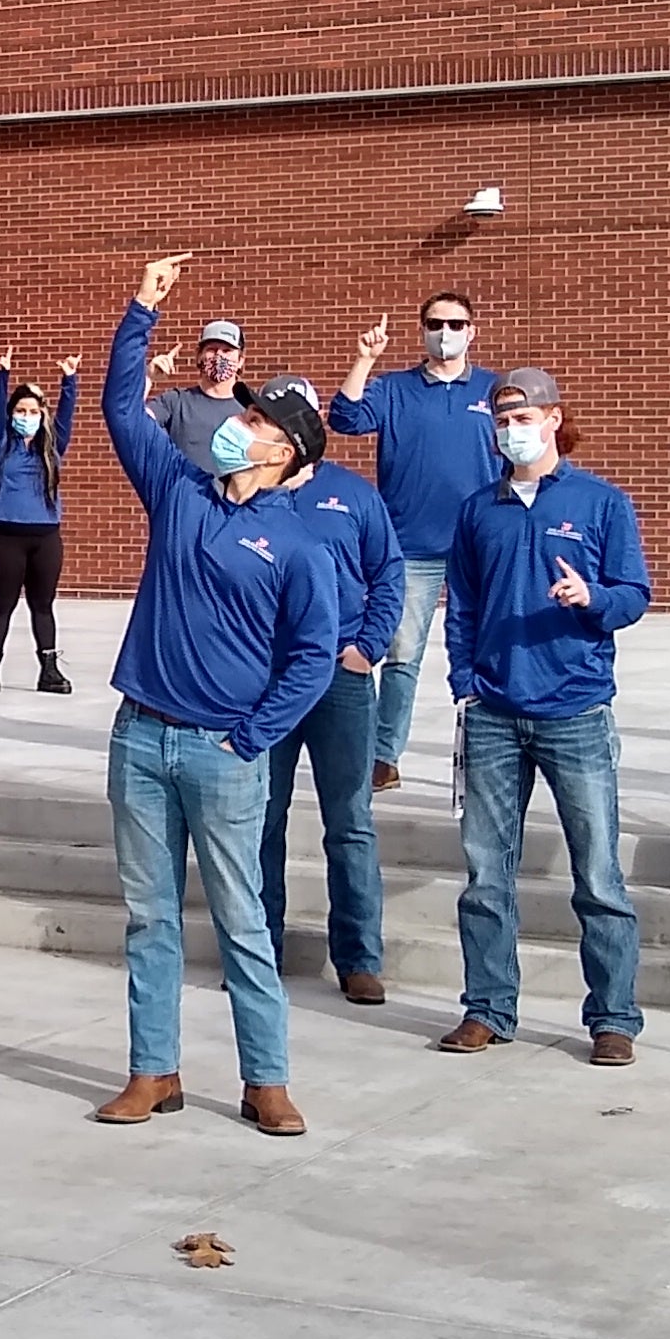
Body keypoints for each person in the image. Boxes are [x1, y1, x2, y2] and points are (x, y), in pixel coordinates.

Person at [90, 261, 339, 1134]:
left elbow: (312, 661)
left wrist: (250, 739)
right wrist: (142, 310)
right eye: (245, 412)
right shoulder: (179, 493)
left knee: (241, 922)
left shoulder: (300, 547)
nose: (239, 424)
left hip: (223, 751)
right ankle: (152, 1070)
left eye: (259, 421)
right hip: (141, 737)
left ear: (285, 453)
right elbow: (123, 409)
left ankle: (265, 1078)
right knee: (149, 917)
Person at [436, 370, 655, 1063]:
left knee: (598, 875)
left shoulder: (601, 503)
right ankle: (488, 1008)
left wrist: (592, 598)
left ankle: (614, 1017)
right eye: (502, 416)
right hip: (495, 711)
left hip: (576, 708)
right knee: (485, 874)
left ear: (555, 417)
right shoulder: (479, 510)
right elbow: (462, 604)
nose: (512, 427)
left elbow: (634, 595)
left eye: (524, 414)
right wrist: (465, 678)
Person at [257, 389, 408, 1010]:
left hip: (340, 680)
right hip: (265, 683)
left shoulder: (353, 495)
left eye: (264, 422)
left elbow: (388, 573)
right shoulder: (246, 495)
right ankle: (259, 948)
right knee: (260, 819)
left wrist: (368, 647)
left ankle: (359, 958)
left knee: (349, 823)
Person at [333, 294, 502, 792]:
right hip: (411, 544)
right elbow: (345, 418)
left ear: (473, 330)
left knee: (489, 651)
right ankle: (384, 756)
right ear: (422, 329)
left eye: (456, 323)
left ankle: (493, 754)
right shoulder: (396, 389)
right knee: (401, 653)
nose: (445, 332)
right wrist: (365, 359)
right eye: (435, 323)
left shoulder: (494, 390)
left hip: (482, 543)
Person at [0, 349, 85, 694]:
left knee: (43, 605)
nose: (27, 416)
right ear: (11, 415)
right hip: (5, 536)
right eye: (21, 411)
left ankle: (49, 670)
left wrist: (69, 381)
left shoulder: (51, 448)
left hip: (45, 537)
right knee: (2, 605)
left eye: (33, 412)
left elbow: (65, 418)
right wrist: (0, 376)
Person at [148, 319, 252, 465]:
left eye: (227, 351)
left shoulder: (253, 411)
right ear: (198, 355)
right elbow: (133, 421)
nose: (219, 356)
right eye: (212, 349)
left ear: (240, 360)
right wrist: (148, 377)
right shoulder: (176, 402)